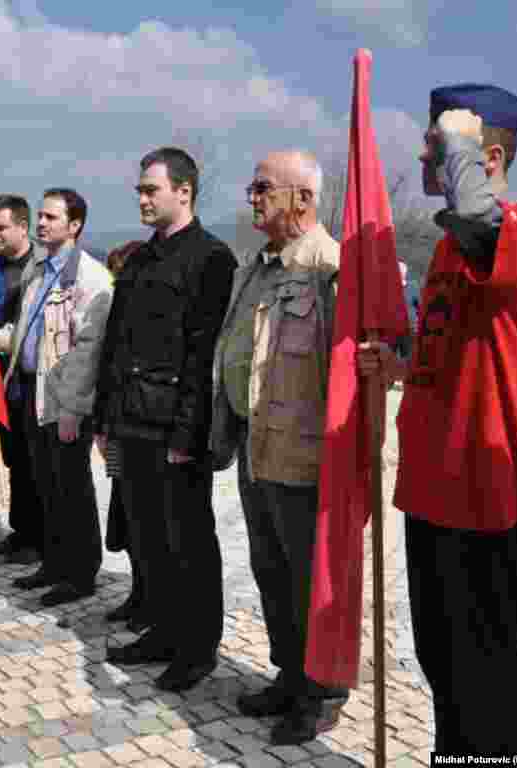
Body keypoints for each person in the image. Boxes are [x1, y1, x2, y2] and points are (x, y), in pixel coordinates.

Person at [357, 85, 517, 754]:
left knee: (486, 668)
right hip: (431, 486)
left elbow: (480, 216)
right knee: (441, 661)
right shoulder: (450, 245)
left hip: (485, 493)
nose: (422, 152)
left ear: (486, 153)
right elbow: (457, 343)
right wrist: (401, 362)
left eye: (436, 142)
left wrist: (461, 141)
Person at [209, 150, 347, 744]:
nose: (253, 197)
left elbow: (354, 376)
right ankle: (289, 675)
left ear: (303, 198)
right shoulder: (254, 266)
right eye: (252, 186)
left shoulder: (332, 267)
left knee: (306, 579)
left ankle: (320, 693)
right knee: (270, 571)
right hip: (255, 445)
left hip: (306, 455)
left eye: (264, 187)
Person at [94, 148, 236, 692]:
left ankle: (197, 648)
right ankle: (161, 629)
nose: (142, 198)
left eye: (151, 189)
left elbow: (204, 356)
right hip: (131, 420)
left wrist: (187, 433)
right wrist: (105, 415)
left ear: (184, 191)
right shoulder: (139, 259)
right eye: (139, 190)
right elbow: (116, 342)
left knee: (188, 544)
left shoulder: (211, 258)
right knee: (148, 539)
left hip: (173, 428)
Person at [0, 188, 112, 607]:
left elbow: (88, 351)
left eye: (50, 217)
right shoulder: (38, 273)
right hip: (32, 394)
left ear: (74, 225)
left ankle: (80, 572)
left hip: (64, 402)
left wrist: (74, 408)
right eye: (40, 217)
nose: (42, 224)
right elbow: (26, 333)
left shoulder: (89, 277)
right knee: (46, 485)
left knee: (71, 488)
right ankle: (54, 562)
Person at [0, 194, 44, 565]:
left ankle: (40, 535)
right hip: (0, 381)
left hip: (29, 379)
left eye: (2, 227)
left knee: (34, 461)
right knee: (14, 459)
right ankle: (20, 530)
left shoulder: (38, 268)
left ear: (23, 227)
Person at [97, 240, 148, 632]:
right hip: (117, 428)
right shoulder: (116, 308)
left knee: (143, 523)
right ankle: (138, 590)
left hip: (139, 428)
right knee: (126, 515)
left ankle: (150, 596)